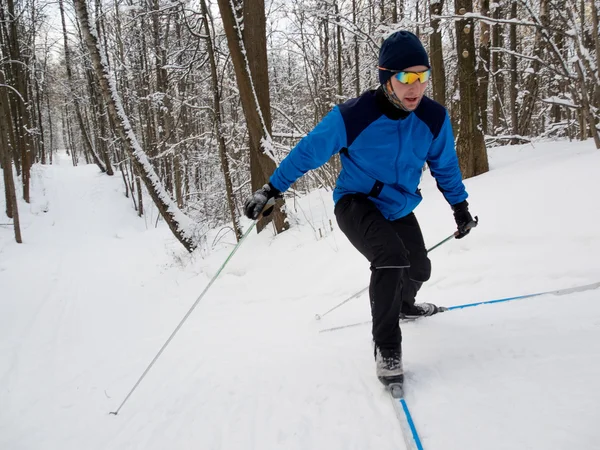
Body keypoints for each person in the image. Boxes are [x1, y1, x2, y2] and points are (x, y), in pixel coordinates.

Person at [243, 31, 477, 387]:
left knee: (419, 269)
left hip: (397, 206)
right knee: (391, 257)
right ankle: (387, 348)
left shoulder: (433, 118)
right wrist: (272, 189)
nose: (415, 87)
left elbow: (445, 165)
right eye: (405, 78)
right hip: (356, 202)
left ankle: (403, 305)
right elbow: (308, 152)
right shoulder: (353, 116)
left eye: (422, 77)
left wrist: (459, 206)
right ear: (387, 78)